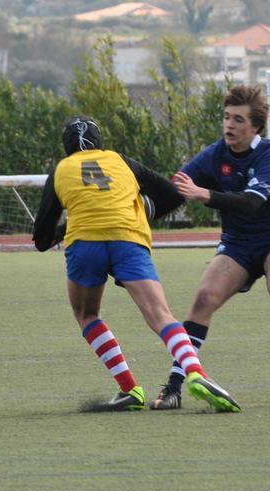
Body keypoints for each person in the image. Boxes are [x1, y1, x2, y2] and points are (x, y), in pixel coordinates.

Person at [32, 115, 241, 413]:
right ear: (100, 143)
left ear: (66, 148)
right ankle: (196, 372)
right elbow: (173, 195)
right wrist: (142, 208)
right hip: (128, 239)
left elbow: (41, 239)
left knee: (86, 314)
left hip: (85, 244)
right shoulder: (120, 161)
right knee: (161, 315)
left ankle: (130, 389)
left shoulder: (61, 169)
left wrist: (65, 227)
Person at [152, 84, 270, 411]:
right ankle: (173, 388)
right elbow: (177, 187)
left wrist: (205, 195)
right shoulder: (214, 154)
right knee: (203, 299)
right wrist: (143, 204)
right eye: (227, 117)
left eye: (238, 119)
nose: (229, 125)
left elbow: (250, 203)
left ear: (255, 127)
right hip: (237, 245)